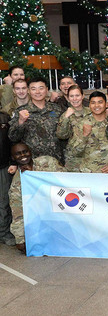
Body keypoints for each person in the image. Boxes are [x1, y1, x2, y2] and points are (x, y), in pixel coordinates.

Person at [8, 143, 64, 253]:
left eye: (25, 151)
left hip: (61, 208)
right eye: (18, 154)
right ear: (13, 158)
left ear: (31, 152)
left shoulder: (48, 161)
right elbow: (18, 214)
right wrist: (20, 239)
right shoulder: (16, 185)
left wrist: (35, 174)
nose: (23, 155)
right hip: (43, 218)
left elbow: (67, 179)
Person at [8, 77, 64, 163]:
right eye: (33, 89)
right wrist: (20, 122)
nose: (37, 92)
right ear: (29, 91)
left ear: (47, 90)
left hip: (57, 160)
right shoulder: (21, 111)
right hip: (33, 162)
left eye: (41, 88)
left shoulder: (57, 109)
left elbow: (64, 134)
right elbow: (13, 138)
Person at [76, 91, 108, 173]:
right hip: (89, 172)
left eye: (100, 102)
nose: (96, 106)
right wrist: (84, 136)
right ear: (89, 105)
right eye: (93, 103)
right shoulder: (82, 123)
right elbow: (75, 151)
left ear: (106, 104)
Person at [55, 85, 91, 172]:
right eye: (71, 96)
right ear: (68, 98)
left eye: (77, 95)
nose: (75, 99)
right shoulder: (65, 115)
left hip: (91, 155)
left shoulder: (91, 112)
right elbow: (61, 135)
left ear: (82, 96)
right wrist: (66, 117)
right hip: (74, 159)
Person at [0, 109, 13, 246]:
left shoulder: (4, 118)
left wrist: (13, 162)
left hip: (2, 166)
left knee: (3, 201)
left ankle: (4, 233)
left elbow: (11, 141)